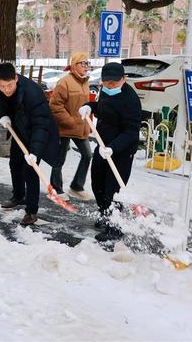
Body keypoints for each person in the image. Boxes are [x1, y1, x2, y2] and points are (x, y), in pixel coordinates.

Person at [79, 62, 141, 242]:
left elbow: (131, 132)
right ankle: (105, 214)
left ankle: (115, 227)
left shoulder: (130, 100)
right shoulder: (106, 90)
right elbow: (104, 109)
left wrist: (114, 147)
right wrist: (90, 106)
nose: (109, 86)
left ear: (123, 79)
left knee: (112, 189)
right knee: (97, 184)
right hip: (102, 144)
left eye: (113, 83)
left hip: (120, 150)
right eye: (106, 83)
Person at [0, 63, 60, 226]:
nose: (6, 89)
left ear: (16, 79)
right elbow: (3, 103)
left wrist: (34, 152)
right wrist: (3, 115)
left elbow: (41, 125)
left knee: (30, 170)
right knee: (15, 163)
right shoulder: (1, 90)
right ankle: (18, 195)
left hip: (38, 133)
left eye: (9, 85)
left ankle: (31, 211)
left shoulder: (33, 94)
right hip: (19, 130)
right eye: (2, 86)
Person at [49, 52, 93, 201]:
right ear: (74, 66)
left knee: (87, 155)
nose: (86, 67)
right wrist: (69, 121)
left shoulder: (86, 82)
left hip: (81, 127)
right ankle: (56, 188)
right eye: (83, 63)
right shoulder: (64, 82)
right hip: (64, 127)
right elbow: (55, 106)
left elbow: (85, 105)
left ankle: (76, 186)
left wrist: (89, 122)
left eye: (88, 63)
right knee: (59, 159)